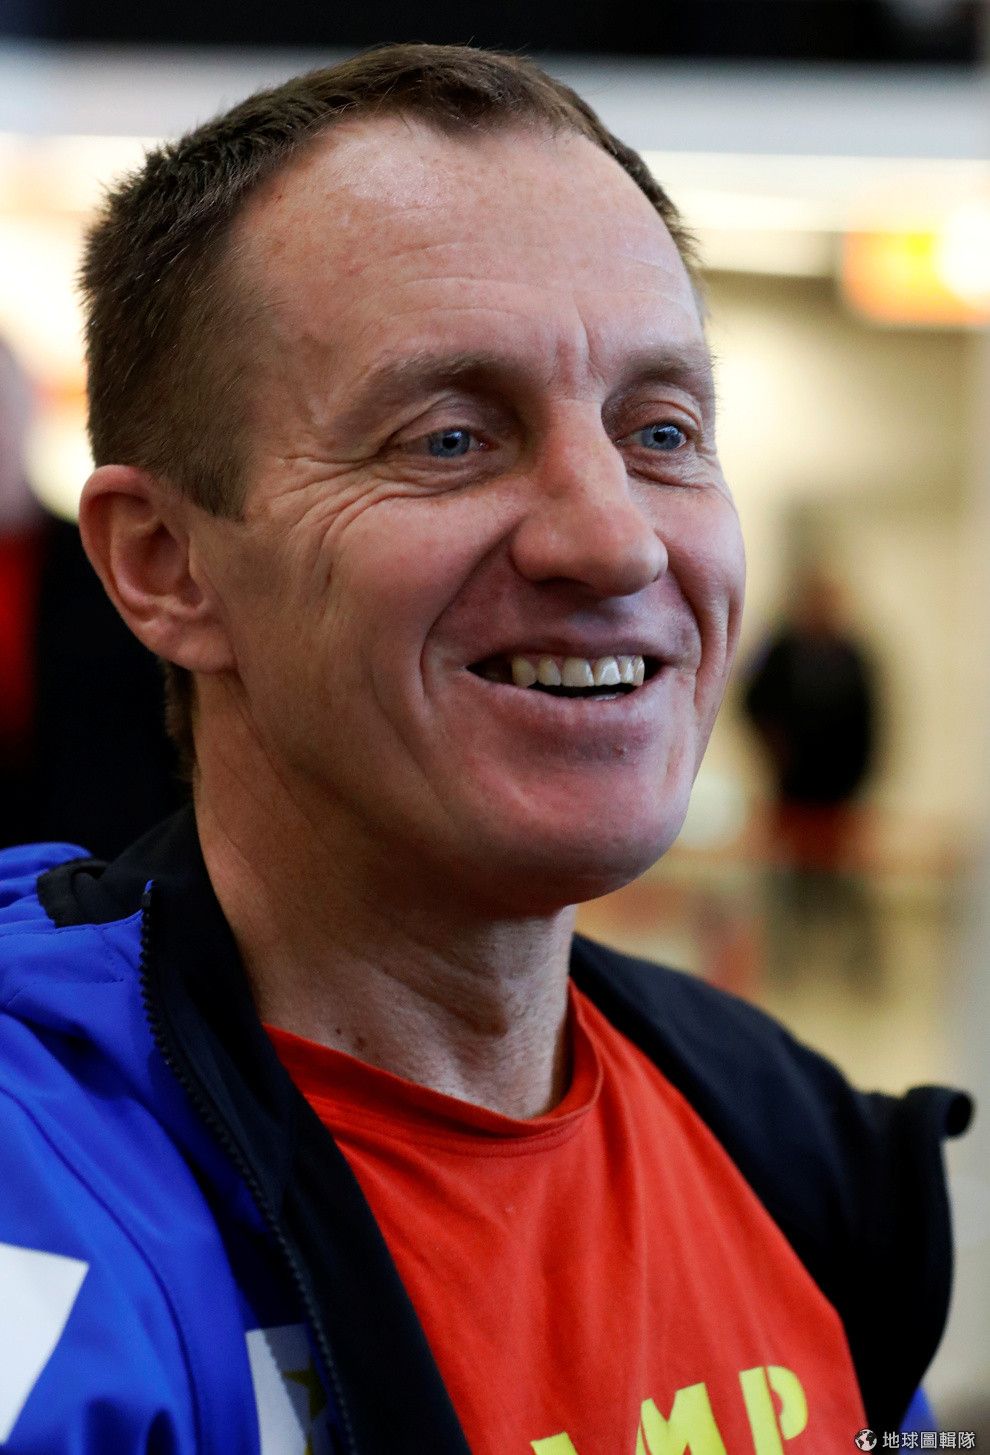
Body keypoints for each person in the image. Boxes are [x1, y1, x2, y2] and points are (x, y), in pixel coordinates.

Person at [0, 44, 970, 1455]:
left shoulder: (786, 1139)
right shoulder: (46, 1207)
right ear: (164, 565)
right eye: (450, 439)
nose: (615, 539)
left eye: (661, 431)